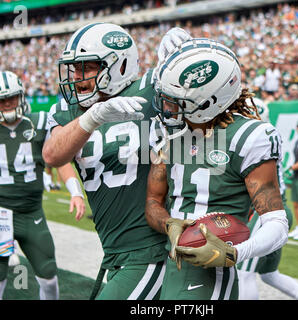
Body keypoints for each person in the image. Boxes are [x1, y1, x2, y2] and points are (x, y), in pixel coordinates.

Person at [42, 23, 191, 300]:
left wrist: (183, 61)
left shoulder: (151, 90)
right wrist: (92, 117)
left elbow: (202, 106)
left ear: (119, 65)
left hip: (152, 251)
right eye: (74, 68)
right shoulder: (71, 110)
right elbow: (52, 155)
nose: (76, 76)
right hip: (115, 252)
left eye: (86, 67)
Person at [145, 38, 289, 300]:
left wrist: (234, 253)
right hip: (172, 263)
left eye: (176, 101)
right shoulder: (170, 137)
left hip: (211, 273)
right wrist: (169, 224)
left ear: (208, 102)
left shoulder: (249, 136)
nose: (166, 108)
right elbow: (153, 201)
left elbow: (276, 223)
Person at [0, 71, 85, 300]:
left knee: (49, 274)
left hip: (31, 213)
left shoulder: (39, 122)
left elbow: (58, 160)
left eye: (12, 97)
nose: (8, 103)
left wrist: (76, 193)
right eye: (2, 99)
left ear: (21, 95)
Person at [236, 99, 298, 300]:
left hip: (266, 211)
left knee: (244, 272)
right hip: (279, 209)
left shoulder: (255, 138)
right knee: (269, 274)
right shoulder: (267, 135)